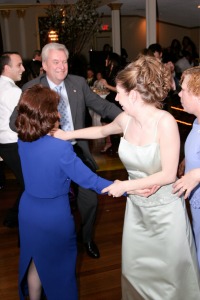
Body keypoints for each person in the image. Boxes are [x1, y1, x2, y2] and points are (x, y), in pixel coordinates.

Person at [53, 55, 200, 299]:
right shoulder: (126, 120)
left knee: (170, 278)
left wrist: (125, 185)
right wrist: (66, 135)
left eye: (120, 93)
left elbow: (167, 174)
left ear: (134, 95)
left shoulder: (165, 122)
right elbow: (100, 129)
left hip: (166, 215)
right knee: (135, 272)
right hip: (137, 214)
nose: (116, 98)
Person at [10, 42, 122, 259]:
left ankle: (86, 238)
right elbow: (15, 121)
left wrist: (129, 118)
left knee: (90, 200)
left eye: (64, 61)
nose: (62, 66)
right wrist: (42, 133)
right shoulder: (32, 88)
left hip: (75, 150)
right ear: (44, 65)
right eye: (55, 62)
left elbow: (103, 106)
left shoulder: (78, 83)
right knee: (52, 204)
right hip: (48, 155)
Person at [15, 84, 113, 300]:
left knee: (34, 261)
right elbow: (90, 180)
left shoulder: (23, 140)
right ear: (45, 113)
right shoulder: (60, 148)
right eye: (55, 109)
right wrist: (124, 188)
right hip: (54, 216)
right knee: (62, 271)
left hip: (28, 211)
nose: (59, 113)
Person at [172, 66, 200, 269]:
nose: (179, 94)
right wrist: (186, 162)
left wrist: (197, 173)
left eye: (184, 90)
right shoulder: (197, 121)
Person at [0, 52, 25, 227]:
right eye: (19, 65)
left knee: (26, 183)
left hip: (5, 144)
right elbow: (22, 121)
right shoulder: (13, 90)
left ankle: (14, 217)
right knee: (29, 184)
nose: (23, 69)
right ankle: (14, 218)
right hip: (14, 143)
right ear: (7, 68)